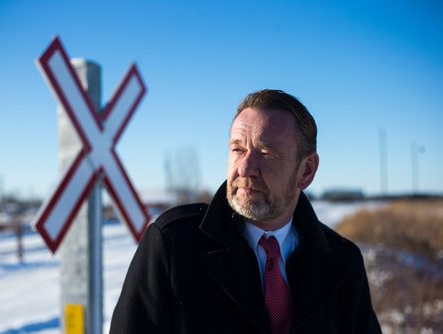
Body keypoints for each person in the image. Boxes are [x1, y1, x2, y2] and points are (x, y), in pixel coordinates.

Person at [110, 89, 381, 334]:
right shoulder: (173, 244)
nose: (245, 168)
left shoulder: (342, 263)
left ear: (306, 170)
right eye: (238, 149)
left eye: (266, 153)